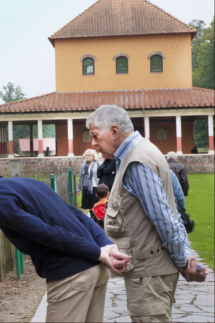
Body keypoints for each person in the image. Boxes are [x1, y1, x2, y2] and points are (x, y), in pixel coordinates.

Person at [0, 158, 131, 323]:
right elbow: (74, 213)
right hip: (95, 270)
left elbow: (45, 232)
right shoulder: (25, 183)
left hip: (72, 275)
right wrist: (105, 244)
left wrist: (98, 251)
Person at [86, 105, 208, 323]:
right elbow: (171, 211)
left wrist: (183, 262)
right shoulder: (143, 151)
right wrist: (186, 255)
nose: (93, 143)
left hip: (150, 274)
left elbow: (164, 219)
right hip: (151, 271)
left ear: (114, 132)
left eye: (95, 136)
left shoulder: (136, 161)